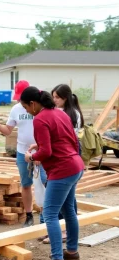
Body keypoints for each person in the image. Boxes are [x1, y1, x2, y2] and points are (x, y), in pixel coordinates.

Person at [21, 86, 84, 260]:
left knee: (49, 213)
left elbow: (46, 153)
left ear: (33, 104)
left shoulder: (40, 119)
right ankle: (72, 251)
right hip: (75, 165)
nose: (26, 111)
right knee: (68, 210)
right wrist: (39, 146)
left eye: (25, 107)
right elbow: (71, 141)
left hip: (62, 170)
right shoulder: (59, 113)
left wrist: (31, 157)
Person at [0, 80, 46, 227]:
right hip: (23, 152)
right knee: (26, 185)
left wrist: (41, 151)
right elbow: (8, 131)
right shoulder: (16, 109)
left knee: (44, 183)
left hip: (42, 152)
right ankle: (29, 216)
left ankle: (45, 215)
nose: (21, 102)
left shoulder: (40, 108)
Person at [38, 83, 85, 244]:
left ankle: (58, 257)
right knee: (66, 205)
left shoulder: (70, 114)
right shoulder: (60, 113)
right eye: (53, 97)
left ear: (65, 98)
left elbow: (58, 143)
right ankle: (70, 247)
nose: (55, 100)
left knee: (52, 210)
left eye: (57, 97)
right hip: (71, 160)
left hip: (65, 160)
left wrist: (33, 156)